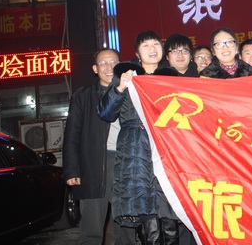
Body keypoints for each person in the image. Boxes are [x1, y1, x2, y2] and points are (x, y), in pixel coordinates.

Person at [99, 31, 194, 245]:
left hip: (166, 148)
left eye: (155, 44)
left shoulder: (170, 77)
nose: (152, 49)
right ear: (137, 53)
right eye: (146, 46)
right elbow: (105, 113)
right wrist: (120, 87)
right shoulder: (126, 76)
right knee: (146, 213)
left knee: (169, 210)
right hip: (136, 151)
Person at [63, 48, 136, 245]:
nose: (109, 67)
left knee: (126, 226)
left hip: (126, 162)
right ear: (95, 69)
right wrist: (71, 169)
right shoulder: (83, 96)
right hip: (95, 164)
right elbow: (72, 134)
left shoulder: (132, 92)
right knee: (91, 228)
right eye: (103, 63)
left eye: (114, 62)